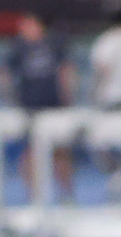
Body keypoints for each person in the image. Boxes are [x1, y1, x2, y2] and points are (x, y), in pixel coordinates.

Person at [7, 14, 72, 202]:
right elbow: (4, 74)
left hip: (54, 106)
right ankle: (32, 197)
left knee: (60, 151)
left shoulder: (54, 44)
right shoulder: (18, 48)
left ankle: (67, 195)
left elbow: (65, 70)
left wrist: (67, 96)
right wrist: (12, 98)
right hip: (30, 108)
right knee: (29, 152)